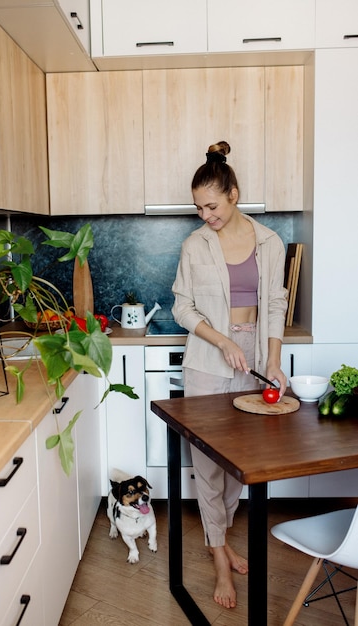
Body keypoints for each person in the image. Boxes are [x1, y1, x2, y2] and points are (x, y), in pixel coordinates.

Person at [172, 140, 288, 609]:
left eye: (212, 206)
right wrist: (220, 341)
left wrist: (273, 360)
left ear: (234, 194)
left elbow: (276, 304)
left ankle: (222, 539)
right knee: (208, 464)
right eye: (198, 208)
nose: (205, 215)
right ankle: (219, 555)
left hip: (255, 357)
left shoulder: (270, 242)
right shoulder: (194, 244)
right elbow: (183, 306)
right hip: (207, 358)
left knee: (243, 463)